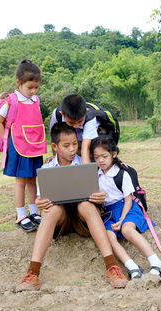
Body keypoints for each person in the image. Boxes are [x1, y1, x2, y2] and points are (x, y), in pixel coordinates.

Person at [15, 122, 128, 291]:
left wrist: (100, 196)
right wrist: (39, 202)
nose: (72, 149)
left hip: (83, 218)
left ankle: (112, 267)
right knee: (51, 210)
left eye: (75, 143)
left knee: (86, 206)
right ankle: (33, 273)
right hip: (61, 220)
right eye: (66, 145)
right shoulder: (47, 169)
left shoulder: (87, 163)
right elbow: (41, 199)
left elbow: (100, 191)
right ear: (55, 146)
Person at [90, 135, 161, 279]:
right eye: (96, 157)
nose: (100, 160)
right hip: (110, 213)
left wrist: (122, 219)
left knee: (126, 229)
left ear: (114, 154)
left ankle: (156, 262)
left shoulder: (121, 174)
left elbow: (128, 200)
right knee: (108, 237)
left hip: (128, 208)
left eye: (104, 156)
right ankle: (132, 267)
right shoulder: (95, 175)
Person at [0, 59, 47, 233]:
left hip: (34, 147)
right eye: (30, 87)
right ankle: (20, 214)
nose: (33, 91)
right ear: (19, 83)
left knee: (33, 179)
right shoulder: (11, 101)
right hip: (18, 147)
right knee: (21, 181)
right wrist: (6, 142)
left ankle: (33, 211)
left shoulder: (35, 100)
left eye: (36, 88)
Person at [49, 94, 100, 164]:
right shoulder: (56, 114)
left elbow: (85, 147)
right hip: (74, 141)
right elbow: (54, 137)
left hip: (92, 141)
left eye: (80, 121)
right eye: (71, 122)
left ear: (86, 111)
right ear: (62, 114)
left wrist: (86, 170)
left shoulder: (90, 118)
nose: (76, 126)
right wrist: (55, 158)